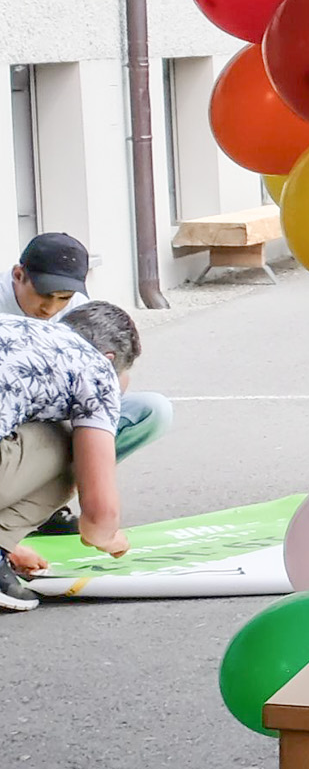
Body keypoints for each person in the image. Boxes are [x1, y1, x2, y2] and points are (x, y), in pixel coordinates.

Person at [1, 300, 141, 609]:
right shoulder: (97, 368)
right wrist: (108, 536)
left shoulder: (19, 329)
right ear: (110, 358)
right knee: (73, 442)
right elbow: (99, 518)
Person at [12, 232, 170, 461]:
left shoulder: (78, 306)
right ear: (18, 275)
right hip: (14, 416)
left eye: (63, 298)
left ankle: (76, 473)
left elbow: (112, 376)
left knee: (154, 409)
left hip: (59, 410)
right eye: (44, 295)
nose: (50, 308)